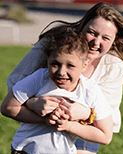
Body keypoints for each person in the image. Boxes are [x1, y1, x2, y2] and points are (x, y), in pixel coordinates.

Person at [6, 2, 123, 154]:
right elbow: (15, 85)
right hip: (40, 124)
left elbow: (108, 118)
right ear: (82, 27)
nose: (96, 42)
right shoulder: (51, 45)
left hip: (85, 129)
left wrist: (86, 114)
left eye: (105, 38)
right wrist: (32, 103)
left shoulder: (113, 65)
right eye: (92, 33)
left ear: (114, 40)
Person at [1, 26, 113, 154]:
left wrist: (70, 126)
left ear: (84, 65)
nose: (61, 72)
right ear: (47, 60)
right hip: (25, 150)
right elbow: (7, 107)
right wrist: (43, 119)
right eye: (55, 64)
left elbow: (105, 136)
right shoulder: (40, 78)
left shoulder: (91, 91)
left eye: (70, 65)